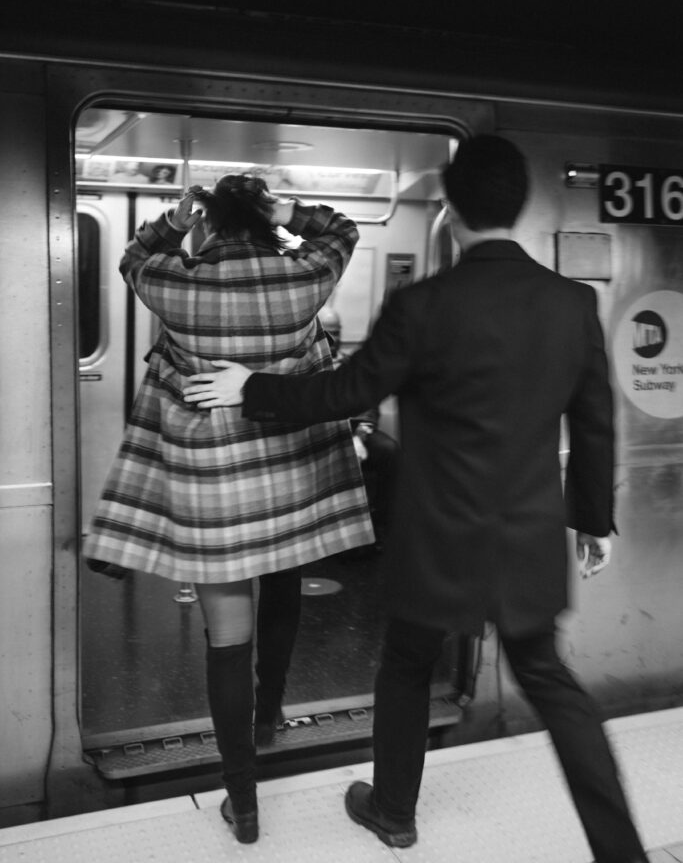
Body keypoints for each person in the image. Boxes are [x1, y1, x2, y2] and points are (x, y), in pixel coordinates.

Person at [183, 137, 648, 863]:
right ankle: (622, 852)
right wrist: (592, 521)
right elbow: (593, 422)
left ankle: (393, 811)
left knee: (405, 664)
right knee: (553, 685)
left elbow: (346, 392)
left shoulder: (423, 304)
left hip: (436, 539)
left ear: (451, 212)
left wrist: (252, 386)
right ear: (518, 206)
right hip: (525, 538)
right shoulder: (570, 303)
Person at [84, 175, 374, 845]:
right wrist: (290, 210)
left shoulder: (175, 283)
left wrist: (171, 221)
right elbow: (342, 232)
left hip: (213, 486)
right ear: (266, 220)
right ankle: (269, 708)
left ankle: (242, 804)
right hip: (289, 479)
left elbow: (131, 258)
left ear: (209, 227)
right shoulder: (303, 276)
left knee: (226, 636)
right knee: (282, 585)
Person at [319, 305, 399, 549]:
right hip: (321, 433)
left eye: (337, 332)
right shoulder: (308, 365)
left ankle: (379, 528)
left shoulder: (351, 364)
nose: (334, 339)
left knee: (390, 451)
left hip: (355, 430)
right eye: (327, 333)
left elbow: (368, 404)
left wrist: (360, 436)